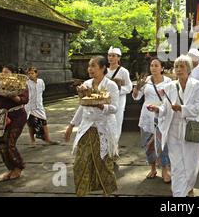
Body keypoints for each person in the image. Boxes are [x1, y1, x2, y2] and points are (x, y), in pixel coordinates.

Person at [149, 55, 199, 197]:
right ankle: (178, 194)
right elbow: (165, 108)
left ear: (188, 69)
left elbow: (198, 108)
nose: (179, 69)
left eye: (182, 66)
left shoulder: (198, 86)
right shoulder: (169, 86)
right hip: (173, 130)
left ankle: (188, 188)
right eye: (176, 66)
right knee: (176, 166)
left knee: (191, 165)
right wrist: (158, 109)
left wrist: (181, 108)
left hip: (190, 130)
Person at [64, 56, 119, 196]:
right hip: (87, 127)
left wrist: (102, 106)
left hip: (103, 128)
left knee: (103, 163)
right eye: (89, 66)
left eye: (93, 66)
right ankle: (82, 193)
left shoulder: (110, 85)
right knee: (80, 163)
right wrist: (71, 126)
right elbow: (82, 106)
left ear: (102, 68)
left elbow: (115, 108)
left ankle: (107, 192)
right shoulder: (86, 84)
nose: (89, 69)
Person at [132, 57, 171, 182]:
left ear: (162, 68)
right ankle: (153, 168)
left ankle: (165, 170)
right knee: (149, 144)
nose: (153, 68)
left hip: (162, 114)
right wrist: (136, 89)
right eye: (151, 65)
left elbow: (171, 99)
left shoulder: (169, 81)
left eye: (156, 65)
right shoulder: (145, 81)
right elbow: (136, 98)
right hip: (147, 116)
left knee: (163, 143)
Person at [0, 64, 29, 181]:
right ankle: (10, 168)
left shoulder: (21, 84)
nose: (4, 74)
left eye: (7, 72)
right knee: (1, 146)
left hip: (17, 117)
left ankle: (19, 168)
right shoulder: (0, 85)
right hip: (2, 118)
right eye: (3, 72)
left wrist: (13, 96)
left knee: (10, 144)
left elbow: (24, 100)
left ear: (14, 74)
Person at [25, 66, 59, 146]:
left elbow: (42, 90)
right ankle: (32, 141)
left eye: (32, 73)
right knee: (30, 124)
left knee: (44, 122)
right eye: (29, 74)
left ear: (36, 74)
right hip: (30, 107)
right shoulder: (26, 83)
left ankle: (48, 139)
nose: (30, 75)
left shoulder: (41, 82)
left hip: (39, 106)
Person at [106, 46, 132, 143]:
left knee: (116, 122)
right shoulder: (105, 71)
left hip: (119, 101)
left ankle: (114, 146)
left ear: (118, 58)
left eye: (113, 56)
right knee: (106, 123)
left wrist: (117, 91)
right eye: (109, 55)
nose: (110, 58)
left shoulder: (123, 71)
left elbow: (129, 87)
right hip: (106, 100)